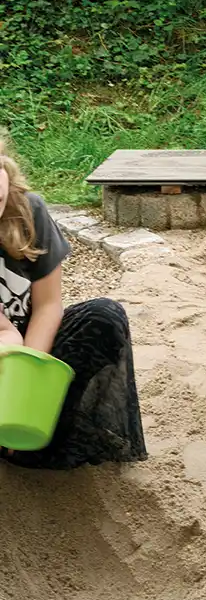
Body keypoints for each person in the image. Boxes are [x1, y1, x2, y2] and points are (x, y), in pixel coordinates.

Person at [0, 136, 146, 470]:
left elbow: (49, 305)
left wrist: (24, 391)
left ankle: (38, 435)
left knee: (104, 316)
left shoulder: (26, 210)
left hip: (29, 351)